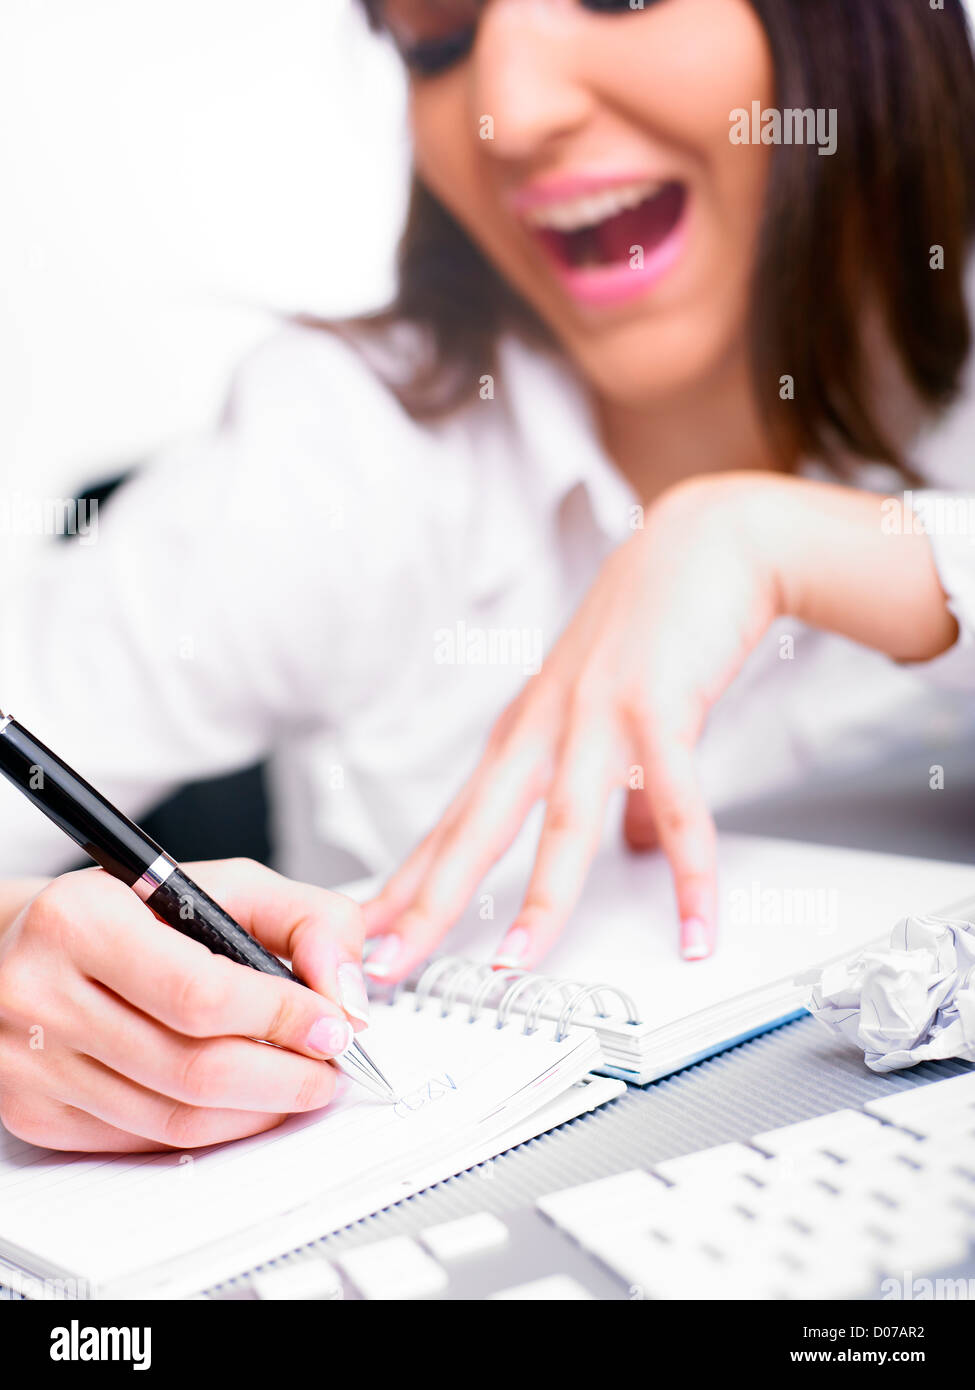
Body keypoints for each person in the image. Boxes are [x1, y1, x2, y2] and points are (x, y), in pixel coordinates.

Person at [1, 0, 974, 1151]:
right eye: (436, 40)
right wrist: (20, 970)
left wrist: (837, 550)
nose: (512, 115)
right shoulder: (337, 454)